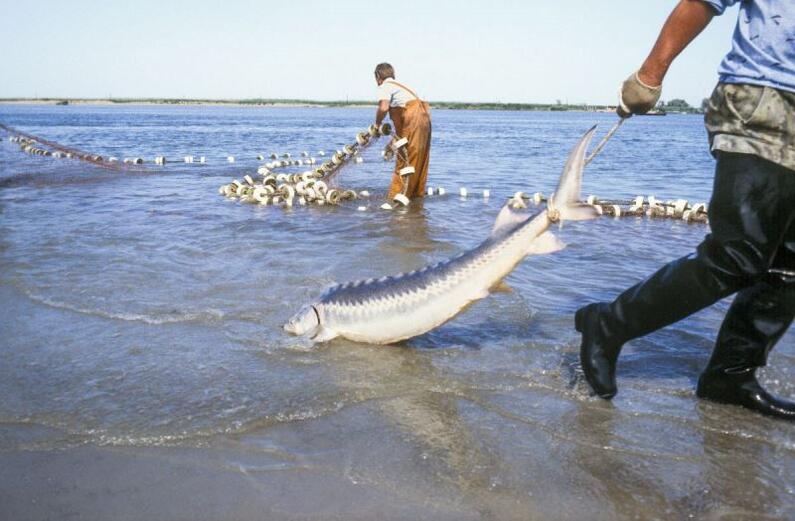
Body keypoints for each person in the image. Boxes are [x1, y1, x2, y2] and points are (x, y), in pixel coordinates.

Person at [576, 0, 795, 420]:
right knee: (739, 253)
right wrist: (649, 75)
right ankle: (608, 324)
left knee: (788, 264)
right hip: (761, 99)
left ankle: (730, 376)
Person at [373, 63, 432, 200]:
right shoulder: (403, 87)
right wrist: (392, 143)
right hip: (425, 120)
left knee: (404, 160)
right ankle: (415, 199)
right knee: (419, 159)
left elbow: (383, 107)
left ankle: (397, 198)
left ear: (378, 76)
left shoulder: (385, 86)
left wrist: (377, 124)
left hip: (414, 118)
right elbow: (404, 128)